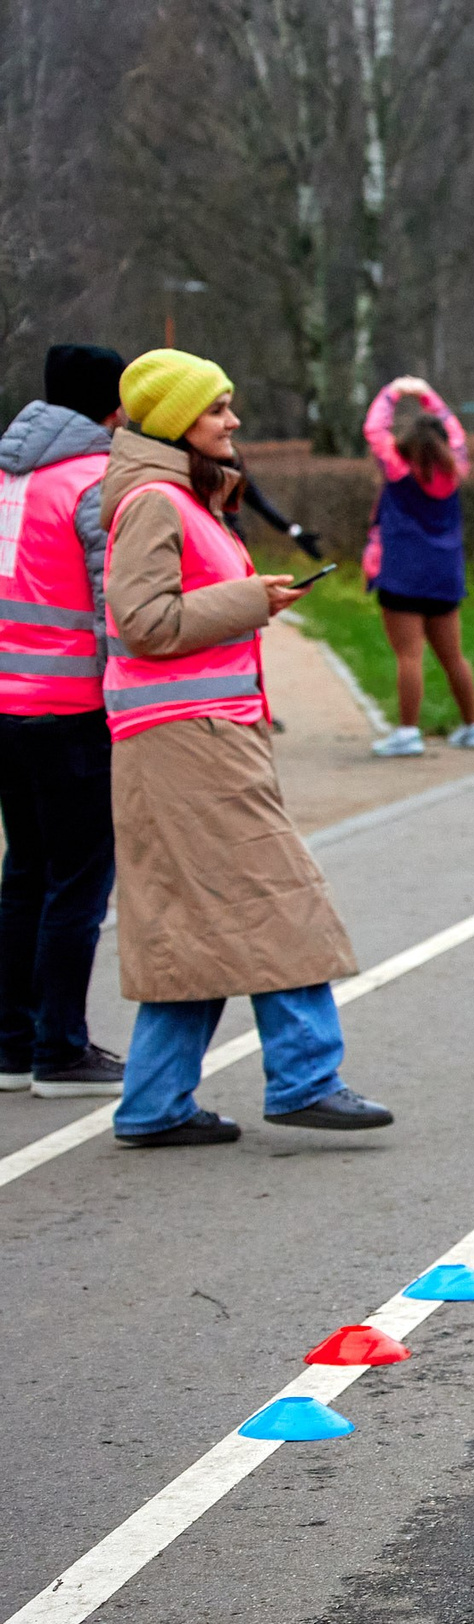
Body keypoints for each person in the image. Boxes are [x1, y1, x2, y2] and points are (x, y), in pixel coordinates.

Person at [99, 349, 395, 1147]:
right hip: (186, 742)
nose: (233, 421)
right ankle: (306, 1077)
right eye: (217, 408)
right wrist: (247, 600)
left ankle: (154, 1105)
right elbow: (145, 621)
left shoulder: (177, 497)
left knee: (195, 923)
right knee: (279, 899)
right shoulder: (156, 502)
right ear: (173, 423)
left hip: (194, 736)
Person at [0, 344, 129, 1098]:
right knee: (78, 881)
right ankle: (62, 1046)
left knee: (23, 872)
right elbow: (110, 603)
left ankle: (11, 1043)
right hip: (70, 705)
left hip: (6, 704)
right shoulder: (93, 482)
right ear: (112, 409)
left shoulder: (9, 475)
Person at [361, 375, 474, 756]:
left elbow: (374, 429)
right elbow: (456, 432)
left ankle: (408, 733)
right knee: (453, 656)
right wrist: (430, 396)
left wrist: (393, 391)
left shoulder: (398, 470)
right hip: (445, 575)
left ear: (408, 445)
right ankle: (472, 727)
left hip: (402, 574)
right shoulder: (455, 471)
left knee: (408, 656)